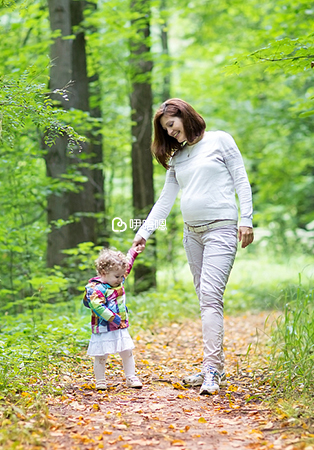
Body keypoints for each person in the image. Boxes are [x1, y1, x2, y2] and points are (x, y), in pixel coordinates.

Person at [132, 98, 254, 395]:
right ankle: (214, 366)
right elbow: (165, 200)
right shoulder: (178, 158)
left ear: (185, 116)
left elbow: (241, 178)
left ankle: (211, 369)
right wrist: (144, 232)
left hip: (221, 229)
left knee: (211, 297)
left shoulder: (219, 141)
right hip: (192, 235)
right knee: (205, 300)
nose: (171, 134)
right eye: (166, 131)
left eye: (171, 126)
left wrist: (246, 219)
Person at [83, 246, 143, 391]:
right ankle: (100, 381)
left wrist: (134, 251)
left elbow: (127, 265)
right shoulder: (94, 289)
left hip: (120, 326)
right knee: (101, 355)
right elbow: (97, 307)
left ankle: (131, 377)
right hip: (104, 327)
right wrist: (114, 319)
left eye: (122, 276)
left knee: (127, 351)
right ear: (104, 273)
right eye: (118, 277)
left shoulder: (117, 277)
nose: (121, 279)